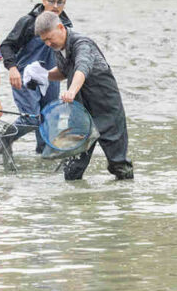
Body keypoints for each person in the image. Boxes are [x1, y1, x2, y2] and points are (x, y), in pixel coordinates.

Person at [34, 11, 133, 181]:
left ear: (60, 27)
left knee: (119, 165)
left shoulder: (82, 44)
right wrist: (43, 75)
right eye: (44, 41)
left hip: (107, 109)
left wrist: (71, 91)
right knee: (72, 168)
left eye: (50, 38)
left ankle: (124, 200)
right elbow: (64, 71)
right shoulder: (58, 48)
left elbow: (82, 68)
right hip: (80, 111)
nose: (48, 43)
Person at [0, 0, 73, 154]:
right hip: (25, 77)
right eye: (51, 1)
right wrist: (12, 68)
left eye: (59, 2)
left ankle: (44, 158)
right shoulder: (28, 22)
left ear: (64, 4)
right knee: (31, 118)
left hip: (51, 77)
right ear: (43, 0)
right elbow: (7, 46)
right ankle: (4, 139)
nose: (55, 6)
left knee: (49, 119)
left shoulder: (66, 25)